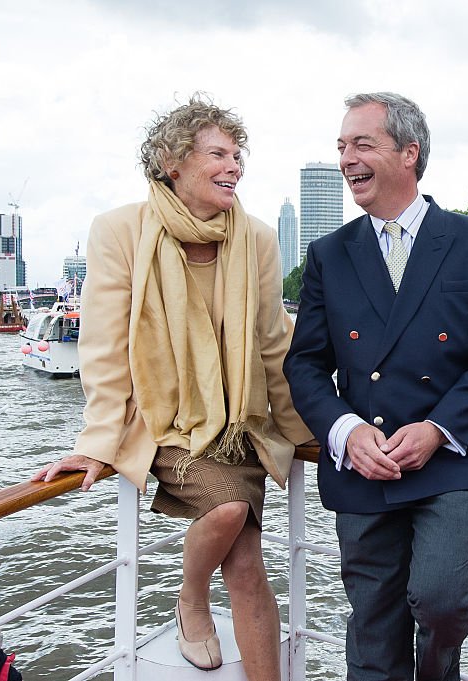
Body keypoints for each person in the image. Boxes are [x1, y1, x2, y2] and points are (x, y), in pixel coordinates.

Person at [31, 95, 311, 678]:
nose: (234, 166)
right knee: (231, 511)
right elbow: (105, 347)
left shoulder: (255, 237)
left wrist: (307, 431)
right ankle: (189, 595)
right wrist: (98, 439)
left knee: (246, 564)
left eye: (238, 156)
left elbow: (272, 343)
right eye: (218, 154)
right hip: (161, 425)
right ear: (172, 160)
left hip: (236, 424)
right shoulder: (119, 231)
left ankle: (205, 612)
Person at [283, 92, 468, 681]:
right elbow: (306, 365)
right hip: (366, 460)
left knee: (443, 600)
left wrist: (438, 428)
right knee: (373, 624)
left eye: (361, 144)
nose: (347, 158)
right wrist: (344, 431)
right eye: (341, 146)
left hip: (452, 456)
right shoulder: (328, 255)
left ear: (409, 152)